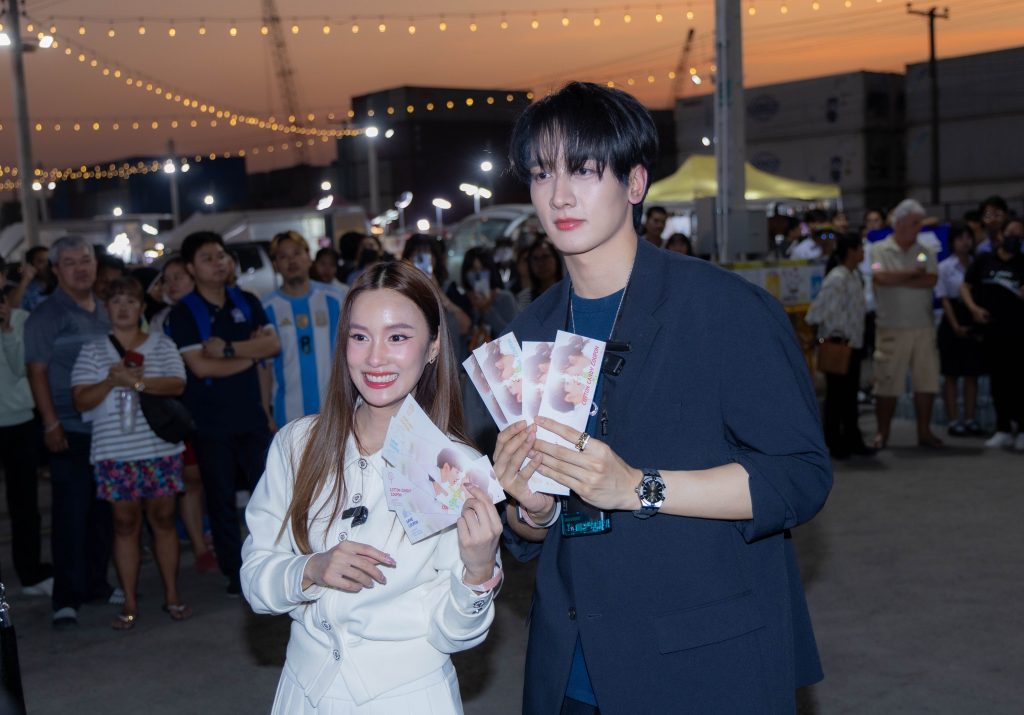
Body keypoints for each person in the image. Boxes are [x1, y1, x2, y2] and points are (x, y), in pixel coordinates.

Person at [493, 81, 831, 713]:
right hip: (571, 671)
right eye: (541, 173)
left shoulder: (724, 310)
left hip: (701, 665)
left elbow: (799, 476)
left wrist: (638, 487)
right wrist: (532, 512)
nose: (559, 195)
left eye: (584, 170)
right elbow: (530, 530)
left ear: (636, 182)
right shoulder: (529, 334)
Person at [241, 261, 502, 713]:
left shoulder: (456, 469)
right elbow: (255, 577)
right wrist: (310, 569)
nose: (375, 358)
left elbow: (455, 635)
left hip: (408, 698)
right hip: (303, 691)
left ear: (433, 346)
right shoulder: (297, 444)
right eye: (360, 337)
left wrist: (478, 574)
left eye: (397, 337)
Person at [70, 276, 192, 630]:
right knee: (124, 525)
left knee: (164, 520)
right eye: (116, 301)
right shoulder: (92, 350)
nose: (123, 308)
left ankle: (172, 595)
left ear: (141, 307)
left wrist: (137, 382)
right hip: (113, 452)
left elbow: (178, 384)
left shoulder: (162, 343)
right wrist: (111, 381)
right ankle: (130, 602)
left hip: (159, 448)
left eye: (130, 301)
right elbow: (80, 400)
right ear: (106, 308)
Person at [166, 231, 281, 595]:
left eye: (221, 256)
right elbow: (201, 367)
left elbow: (273, 345)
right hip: (210, 422)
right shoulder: (183, 313)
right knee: (221, 499)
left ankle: (274, 558)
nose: (217, 263)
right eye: (207, 258)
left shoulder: (246, 300)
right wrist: (249, 354)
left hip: (252, 415)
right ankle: (235, 571)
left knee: (269, 492)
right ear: (191, 268)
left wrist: (228, 349)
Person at [24, 235, 114, 628]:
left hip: (107, 429)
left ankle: (97, 584)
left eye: (86, 260)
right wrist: (51, 423)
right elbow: (37, 371)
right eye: (71, 262)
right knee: (70, 516)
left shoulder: (106, 309)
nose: (81, 268)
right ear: (56, 269)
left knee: (102, 513)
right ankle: (66, 596)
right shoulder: (47, 314)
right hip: (69, 429)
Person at [144, 256, 218, 574]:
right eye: (168, 279)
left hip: (214, 405)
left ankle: (211, 534)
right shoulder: (160, 320)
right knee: (191, 478)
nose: (172, 284)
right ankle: (200, 545)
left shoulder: (214, 309)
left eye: (179, 277)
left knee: (213, 476)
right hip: (180, 410)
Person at [869, 198, 943, 449]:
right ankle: (882, 433)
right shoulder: (879, 249)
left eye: (919, 223)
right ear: (899, 223)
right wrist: (912, 274)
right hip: (891, 325)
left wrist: (896, 279)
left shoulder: (926, 250)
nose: (918, 227)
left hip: (923, 325)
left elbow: (931, 280)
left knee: (926, 381)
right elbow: (879, 276)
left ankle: (924, 431)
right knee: (887, 382)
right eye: (914, 223)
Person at [0, 259, 53, 596]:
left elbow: (22, 368)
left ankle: (30, 573)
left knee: (24, 504)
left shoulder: (20, 319)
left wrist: (6, 330)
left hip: (18, 422)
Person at [262, 231, 346, 430]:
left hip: (334, 411)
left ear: (309, 257)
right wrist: (266, 411)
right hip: (288, 415)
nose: (291, 261)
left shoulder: (336, 299)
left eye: (297, 253)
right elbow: (264, 367)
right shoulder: (266, 308)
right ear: (275, 265)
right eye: (283, 256)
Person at [805, 234, 872, 458]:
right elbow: (817, 312)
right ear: (850, 251)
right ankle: (835, 441)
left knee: (848, 395)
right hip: (839, 343)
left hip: (852, 343)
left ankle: (851, 439)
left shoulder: (853, 275)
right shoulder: (837, 278)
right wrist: (832, 331)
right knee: (837, 396)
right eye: (860, 247)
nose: (863, 252)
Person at [960, 223, 1024, 451]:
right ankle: (1003, 428)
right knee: (999, 380)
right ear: (1000, 236)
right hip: (993, 331)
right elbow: (965, 286)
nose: (1014, 239)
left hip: (1018, 331)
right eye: (1011, 235)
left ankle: (1022, 429)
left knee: (1019, 380)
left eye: (1019, 236)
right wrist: (974, 309)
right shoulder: (984, 260)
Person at [935, 223, 986, 437]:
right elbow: (944, 298)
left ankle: (970, 418)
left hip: (974, 315)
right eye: (960, 238)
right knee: (951, 374)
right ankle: (954, 419)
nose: (965, 242)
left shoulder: (978, 264)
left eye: (968, 237)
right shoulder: (945, 266)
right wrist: (955, 324)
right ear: (952, 242)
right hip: (952, 316)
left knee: (972, 373)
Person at [403, 234, 473, 361]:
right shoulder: (400, 292)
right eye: (418, 256)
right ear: (407, 260)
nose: (423, 261)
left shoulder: (449, 289)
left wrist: (438, 293)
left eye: (427, 256)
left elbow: (465, 326)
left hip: (448, 363)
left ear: (435, 259)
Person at [461, 246, 519, 340]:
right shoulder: (461, 300)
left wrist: (487, 309)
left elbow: (513, 336)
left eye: (483, 269)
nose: (478, 274)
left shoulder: (505, 298)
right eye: (473, 269)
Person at [516, 236, 564, 310]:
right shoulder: (526, 297)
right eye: (535, 259)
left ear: (556, 259)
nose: (541, 264)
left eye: (545, 257)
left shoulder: (569, 291)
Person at [20, 245, 55, 311]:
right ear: (30, 265)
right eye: (41, 261)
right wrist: (25, 279)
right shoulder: (28, 290)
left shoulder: (62, 284)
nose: (47, 265)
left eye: (49, 261)